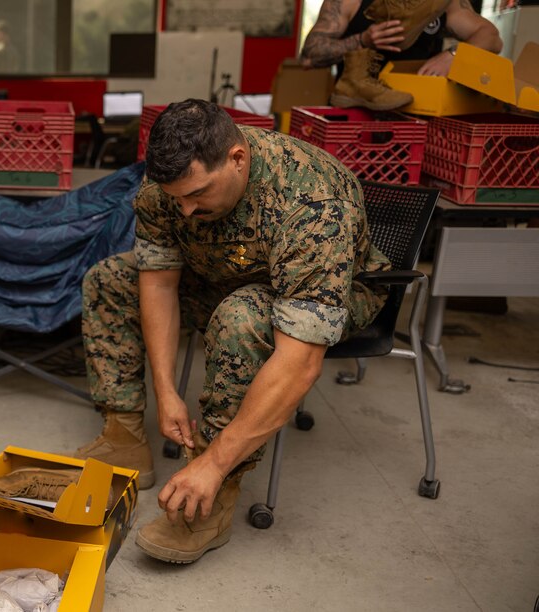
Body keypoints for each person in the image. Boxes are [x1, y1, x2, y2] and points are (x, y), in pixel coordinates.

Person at [78, 99, 392, 564]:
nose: (185, 210)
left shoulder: (313, 203)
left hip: (321, 296)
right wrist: (166, 391)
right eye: (176, 198)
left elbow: (301, 361)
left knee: (240, 317)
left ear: (237, 159)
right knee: (109, 279)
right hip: (220, 274)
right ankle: (124, 435)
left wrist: (214, 463)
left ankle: (211, 492)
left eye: (197, 194)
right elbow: (159, 280)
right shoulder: (172, 180)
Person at [300, 0, 502, 109]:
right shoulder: (348, 2)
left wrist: (453, 55)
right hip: (356, 112)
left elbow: (492, 37)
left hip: (415, 112)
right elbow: (309, 55)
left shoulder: (443, 3)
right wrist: (362, 40)